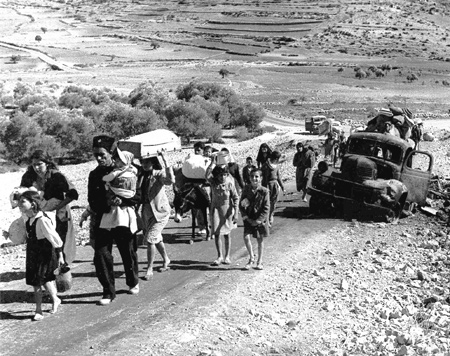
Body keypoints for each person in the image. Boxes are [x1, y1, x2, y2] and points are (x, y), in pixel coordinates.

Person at [88, 135, 140, 306]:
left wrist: (123, 201)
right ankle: (108, 291)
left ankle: (133, 281)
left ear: (111, 153)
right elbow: (92, 200)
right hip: (103, 219)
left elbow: (138, 195)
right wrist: (106, 202)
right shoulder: (95, 175)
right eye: (96, 155)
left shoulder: (129, 169)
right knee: (101, 255)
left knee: (127, 251)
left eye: (102, 155)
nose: (99, 158)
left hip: (123, 218)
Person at [20, 150, 78, 264]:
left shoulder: (56, 176)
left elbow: (73, 194)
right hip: (38, 215)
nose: (36, 168)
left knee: (59, 241)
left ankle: (62, 270)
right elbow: (22, 193)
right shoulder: (28, 177)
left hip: (58, 212)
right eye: (34, 164)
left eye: (39, 164)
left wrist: (56, 208)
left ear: (47, 163)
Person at [18, 190, 64, 321]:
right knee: (41, 279)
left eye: (23, 202)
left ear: (33, 204)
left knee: (37, 282)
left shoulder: (42, 220)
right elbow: (25, 237)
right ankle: (56, 299)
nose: (19, 204)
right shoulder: (28, 219)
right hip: (33, 252)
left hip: (44, 254)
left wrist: (60, 256)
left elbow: (55, 238)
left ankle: (38, 310)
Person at [138, 152, 174, 281]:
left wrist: (165, 160)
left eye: (147, 162)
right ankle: (166, 259)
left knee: (150, 239)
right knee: (156, 238)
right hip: (147, 212)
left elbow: (170, 180)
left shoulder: (158, 175)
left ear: (153, 162)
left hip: (161, 212)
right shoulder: (141, 176)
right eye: (142, 162)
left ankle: (149, 268)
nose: (144, 164)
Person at [205, 162, 239, 266]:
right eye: (220, 175)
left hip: (227, 210)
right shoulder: (213, 182)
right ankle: (219, 256)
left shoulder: (229, 183)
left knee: (227, 234)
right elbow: (206, 175)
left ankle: (227, 256)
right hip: (216, 210)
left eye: (224, 174)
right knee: (217, 234)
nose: (223, 177)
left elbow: (236, 198)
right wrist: (211, 163)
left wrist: (236, 213)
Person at [99, 149, 138, 232]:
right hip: (130, 196)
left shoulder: (117, 172)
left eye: (118, 160)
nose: (116, 161)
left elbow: (106, 178)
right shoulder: (133, 171)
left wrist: (103, 178)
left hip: (118, 197)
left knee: (117, 221)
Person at [240, 169, 270, 271]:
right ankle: (251, 258)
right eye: (252, 176)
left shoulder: (264, 191)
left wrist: (259, 220)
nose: (254, 179)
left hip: (259, 219)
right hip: (248, 218)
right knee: (246, 237)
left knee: (259, 239)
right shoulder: (246, 189)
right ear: (249, 178)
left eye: (256, 176)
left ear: (261, 178)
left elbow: (266, 207)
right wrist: (245, 217)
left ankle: (260, 261)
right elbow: (241, 204)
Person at [262, 150, 285, 227]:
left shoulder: (277, 165)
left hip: (275, 186)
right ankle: (267, 220)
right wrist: (264, 188)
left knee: (274, 203)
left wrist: (282, 186)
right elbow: (264, 178)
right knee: (267, 203)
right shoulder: (265, 165)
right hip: (268, 185)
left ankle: (271, 215)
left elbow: (278, 176)